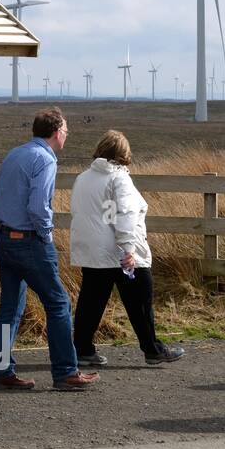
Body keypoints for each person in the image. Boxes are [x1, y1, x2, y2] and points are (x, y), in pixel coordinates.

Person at [0, 107, 98, 391]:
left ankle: (0, 371)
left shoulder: (15, 154)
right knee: (58, 303)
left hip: (2, 238)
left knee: (9, 308)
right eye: (66, 132)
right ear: (57, 132)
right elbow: (38, 207)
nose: (67, 137)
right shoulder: (46, 160)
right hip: (28, 240)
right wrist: (46, 235)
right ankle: (65, 372)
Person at [69, 130, 185, 366]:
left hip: (92, 252)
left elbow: (92, 212)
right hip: (119, 254)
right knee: (141, 300)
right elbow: (125, 214)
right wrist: (129, 249)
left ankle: (81, 349)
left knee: (90, 303)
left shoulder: (83, 178)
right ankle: (152, 349)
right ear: (123, 154)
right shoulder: (119, 178)